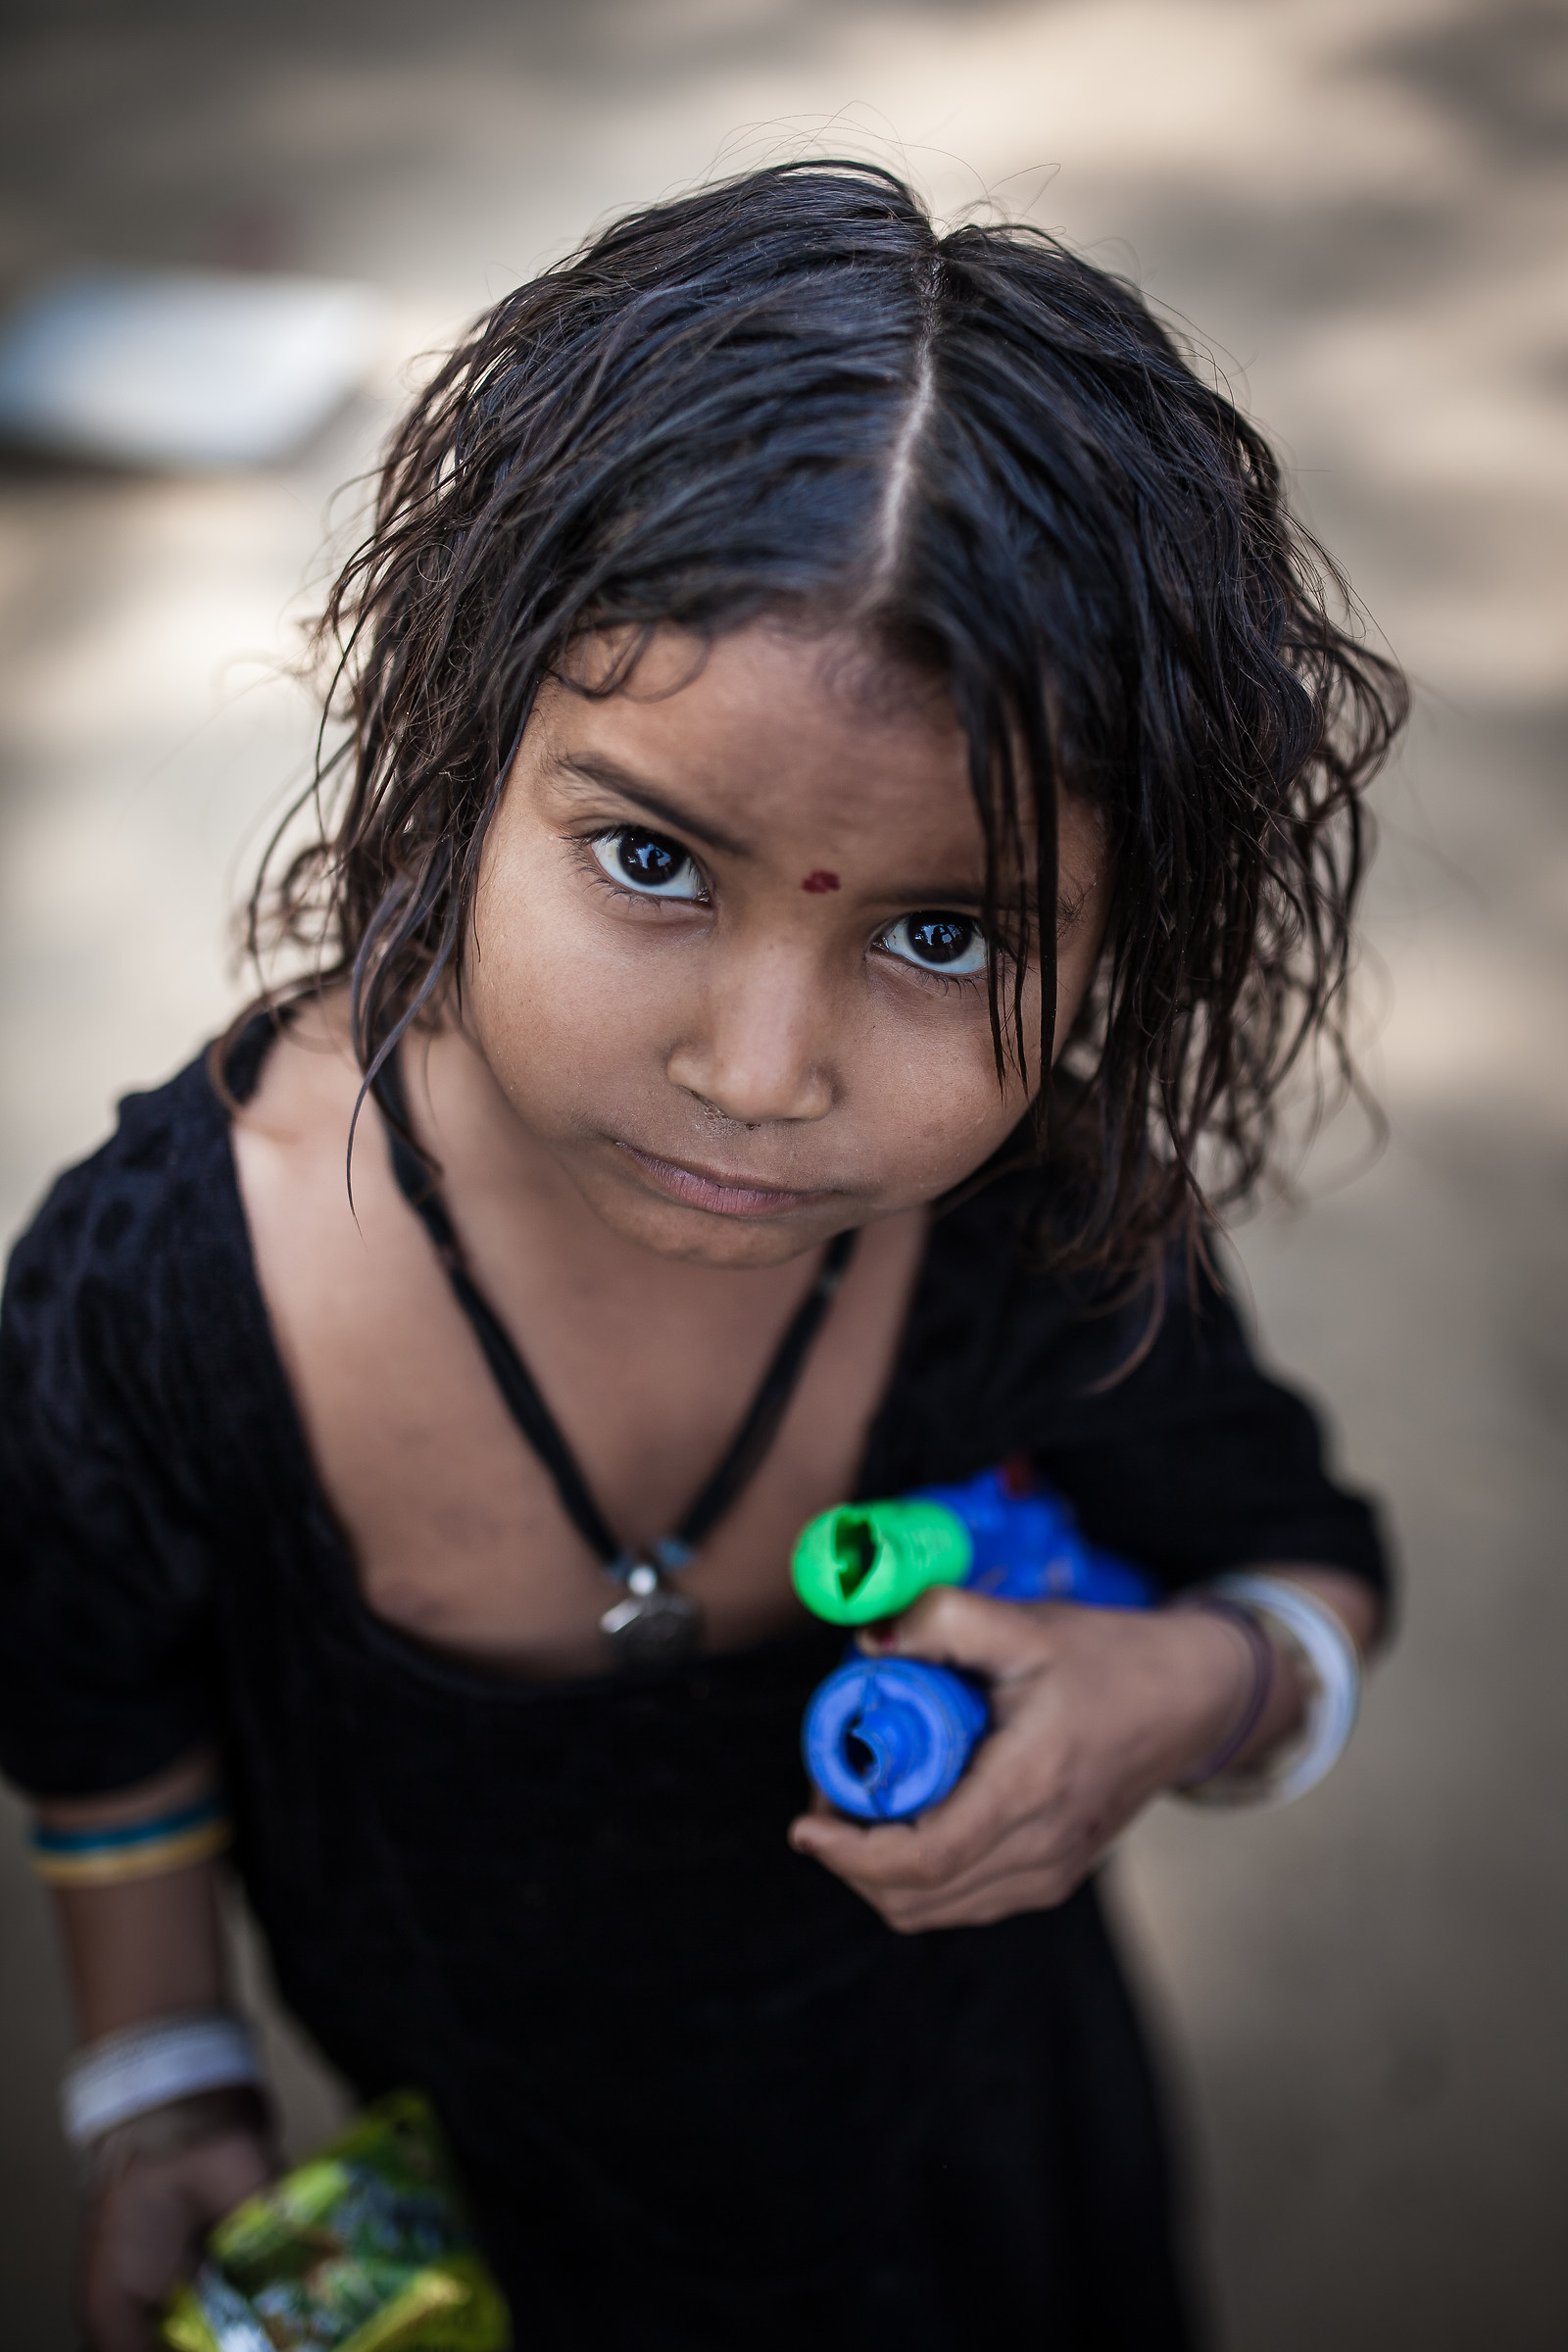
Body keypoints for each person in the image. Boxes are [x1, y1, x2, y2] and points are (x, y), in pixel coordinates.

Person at [0, 162, 1405, 2352]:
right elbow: (100, 1702)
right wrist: (163, 2084)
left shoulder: (1026, 1224)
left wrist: (1201, 1693)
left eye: (944, 935)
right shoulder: (164, 1291)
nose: (759, 1073)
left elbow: (1296, 1556)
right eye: (652, 859)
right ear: (464, 740)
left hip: (988, 2194)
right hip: (493, 2236)